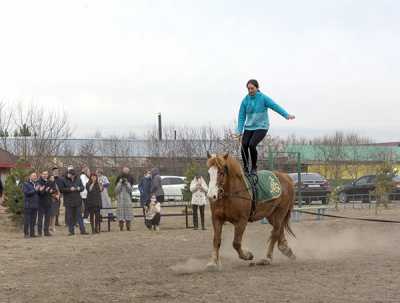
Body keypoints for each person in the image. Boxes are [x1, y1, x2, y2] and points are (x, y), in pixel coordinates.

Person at [236, 79, 295, 175]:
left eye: (252, 88)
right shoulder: (245, 100)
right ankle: (246, 168)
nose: (250, 90)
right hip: (249, 127)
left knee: (251, 145)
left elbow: (275, 106)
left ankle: (254, 167)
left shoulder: (263, 98)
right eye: (248, 89)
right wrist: (239, 130)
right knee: (244, 144)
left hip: (261, 126)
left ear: (257, 88)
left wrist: (286, 115)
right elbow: (241, 116)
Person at [59, 169, 88, 236]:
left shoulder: (78, 179)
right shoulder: (64, 180)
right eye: (69, 174)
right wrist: (69, 189)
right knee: (70, 217)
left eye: (72, 175)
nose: (70, 176)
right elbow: (61, 189)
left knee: (79, 216)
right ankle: (71, 231)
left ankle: (83, 230)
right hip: (68, 201)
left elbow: (82, 187)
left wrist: (79, 188)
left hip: (77, 201)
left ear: (74, 175)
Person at [37, 171, 57, 237]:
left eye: (46, 174)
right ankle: (39, 232)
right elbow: (40, 192)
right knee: (40, 218)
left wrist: (51, 190)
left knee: (47, 218)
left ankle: (46, 232)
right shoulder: (39, 182)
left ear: (48, 175)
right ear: (41, 174)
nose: (45, 175)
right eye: (44, 174)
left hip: (48, 202)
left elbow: (55, 190)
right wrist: (47, 190)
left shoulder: (50, 182)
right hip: (41, 203)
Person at [115, 167, 134, 231]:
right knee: (120, 214)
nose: (126, 172)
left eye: (127, 171)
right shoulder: (119, 178)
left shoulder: (130, 178)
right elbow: (116, 190)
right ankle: (121, 227)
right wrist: (120, 183)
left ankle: (128, 227)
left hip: (127, 199)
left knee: (128, 213)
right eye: (124, 171)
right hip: (120, 199)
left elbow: (130, 190)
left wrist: (127, 183)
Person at [23, 172, 40, 238]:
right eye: (33, 176)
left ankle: (32, 233)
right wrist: (35, 190)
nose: (35, 177)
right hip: (28, 205)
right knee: (27, 220)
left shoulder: (37, 184)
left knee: (33, 220)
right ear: (30, 177)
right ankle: (26, 234)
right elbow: (26, 193)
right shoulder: (25, 184)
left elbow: (38, 194)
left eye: (35, 176)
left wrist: (40, 190)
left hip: (35, 205)